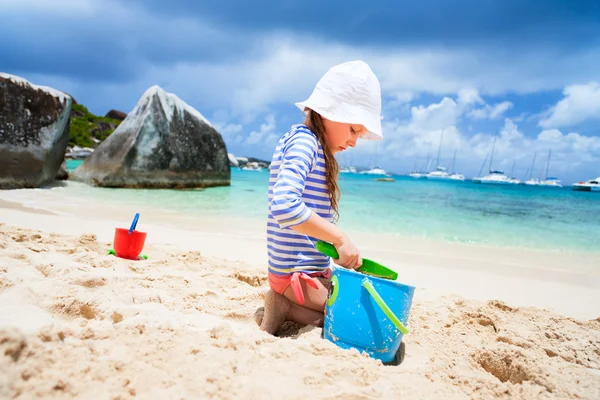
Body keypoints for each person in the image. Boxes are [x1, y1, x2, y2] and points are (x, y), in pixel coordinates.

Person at [258, 60, 383, 335]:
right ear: (328, 112)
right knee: (355, 321)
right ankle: (285, 305)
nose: (353, 142)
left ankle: (287, 306)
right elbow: (284, 205)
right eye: (353, 130)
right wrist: (338, 237)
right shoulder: (305, 143)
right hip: (295, 277)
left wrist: (330, 248)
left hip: (307, 274)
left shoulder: (312, 145)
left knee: (359, 308)